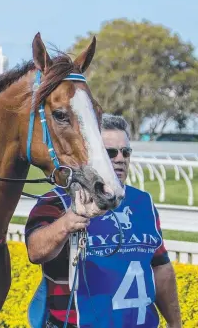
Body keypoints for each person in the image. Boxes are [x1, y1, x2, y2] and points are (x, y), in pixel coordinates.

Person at [25, 114, 182, 328]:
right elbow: (35, 251)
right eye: (110, 152)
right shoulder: (56, 201)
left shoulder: (143, 202)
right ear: (89, 154)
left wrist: (175, 323)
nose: (120, 158)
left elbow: (160, 267)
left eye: (126, 152)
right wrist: (68, 222)